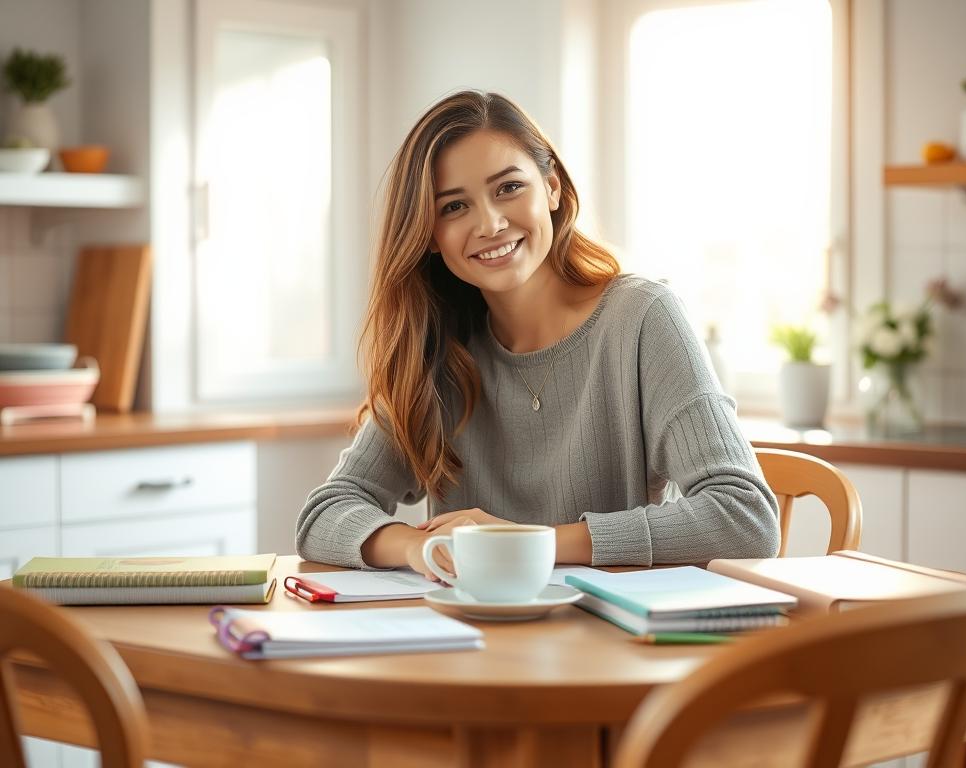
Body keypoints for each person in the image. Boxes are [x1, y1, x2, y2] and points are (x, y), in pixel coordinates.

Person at [296, 90, 780, 579]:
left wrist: (527, 543)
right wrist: (416, 549)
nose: (489, 223)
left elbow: (744, 519)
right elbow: (324, 515)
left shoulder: (641, 318)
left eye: (508, 188)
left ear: (551, 188)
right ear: (429, 235)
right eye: (454, 206)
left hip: (615, 642)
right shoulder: (438, 349)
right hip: (473, 642)